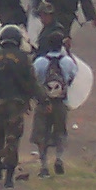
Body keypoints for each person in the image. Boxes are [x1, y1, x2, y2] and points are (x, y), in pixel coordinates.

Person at [0, 25, 35, 188]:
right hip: (16, 104)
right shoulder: (24, 58)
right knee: (12, 139)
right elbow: (31, 82)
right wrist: (41, 99)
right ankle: (9, 178)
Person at [32, 33, 80, 176]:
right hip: (60, 103)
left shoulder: (40, 62)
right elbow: (74, 76)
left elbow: (34, 79)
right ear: (61, 45)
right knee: (60, 131)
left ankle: (44, 166)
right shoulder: (67, 62)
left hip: (43, 103)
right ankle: (59, 158)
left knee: (41, 133)